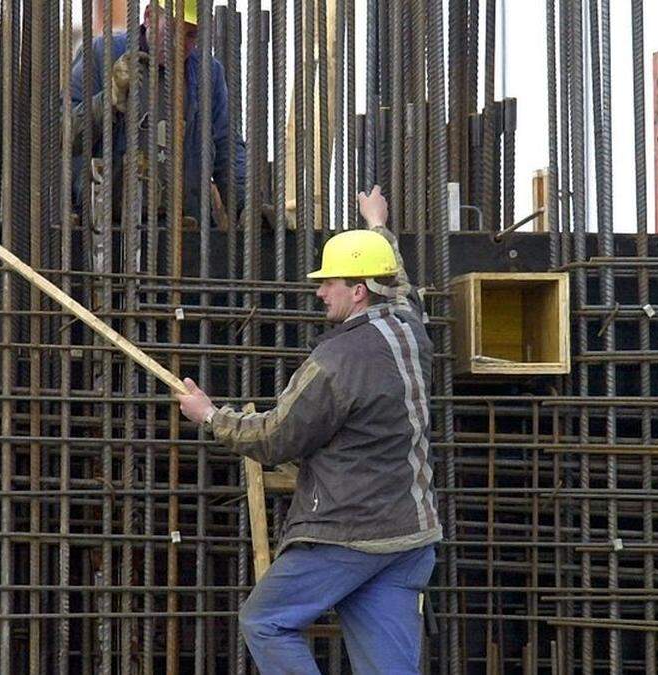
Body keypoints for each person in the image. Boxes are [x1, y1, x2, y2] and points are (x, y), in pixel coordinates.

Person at [177, 185, 439, 674]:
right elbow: (397, 279)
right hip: (410, 537)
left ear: (357, 291)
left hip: (348, 533)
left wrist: (210, 416)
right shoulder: (410, 329)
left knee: (266, 620)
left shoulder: (335, 362)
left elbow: (276, 438)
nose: (319, 292)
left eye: (329, 284)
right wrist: (376, 225)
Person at [69, 0, 245, 222]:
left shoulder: (208, 74)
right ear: (149, 16)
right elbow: (63, 135)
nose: (180, 44)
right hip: (109, 227)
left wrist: (246, 204)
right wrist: (107, 102)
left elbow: (227, 147)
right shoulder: (102, 54)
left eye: (191, 35)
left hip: (184, 225)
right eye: (172, 30)